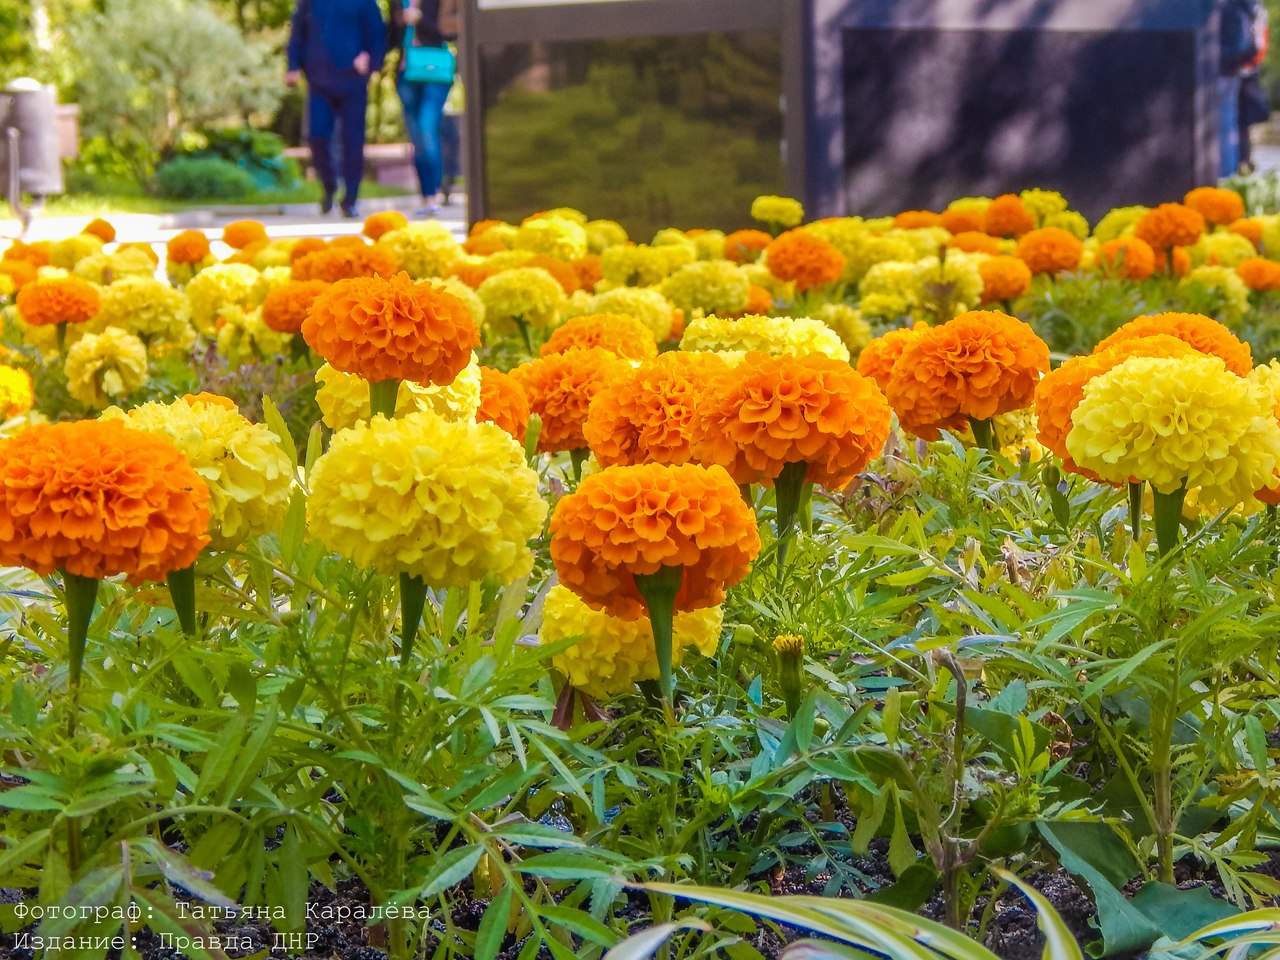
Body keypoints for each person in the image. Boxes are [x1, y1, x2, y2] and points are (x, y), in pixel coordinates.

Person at [286, 0, 387, 218]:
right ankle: (329, 186)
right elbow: (297, 32)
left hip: (353, 81)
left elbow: (377, 34)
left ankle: (350, 198)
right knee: (317, 136)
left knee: (352, 141)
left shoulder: (365, 3)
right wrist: (292, 65)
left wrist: (370, 58)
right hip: (318, 80)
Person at [388, 0, 459, 216]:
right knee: (417, 137)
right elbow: (391, 33)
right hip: (406, 72)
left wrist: (420, 19)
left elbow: (450, 31)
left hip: (435, 70)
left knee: (427, 129)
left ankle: (433, 193)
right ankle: (426, 192)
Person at [1219, 0, 1261, 178]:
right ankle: (1229, 175)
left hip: (1222, 61)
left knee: (1224, 121)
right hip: (1235, 61)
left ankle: (1225, 175)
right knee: (1228, 121)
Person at [1239, 3, 1271, 172]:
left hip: (1243, 69)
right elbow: (1262, 42)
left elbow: (1261, 40)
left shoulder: (1252, 7)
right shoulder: (1255, 7)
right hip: (1247, 68)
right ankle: (1244, 160)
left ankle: (1243, 160)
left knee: (1240, 121)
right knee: (1242, 122)